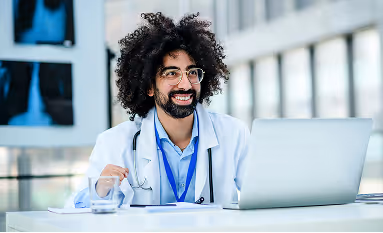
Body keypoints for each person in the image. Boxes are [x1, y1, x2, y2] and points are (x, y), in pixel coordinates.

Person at [70, 12, 250, 207]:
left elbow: (264, 195)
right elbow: (75, 209)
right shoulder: (115, 143)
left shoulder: (234, 133)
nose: (185, 84)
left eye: (192, 72)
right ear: (149, 86)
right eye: (171, 73)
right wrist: (101, 190)